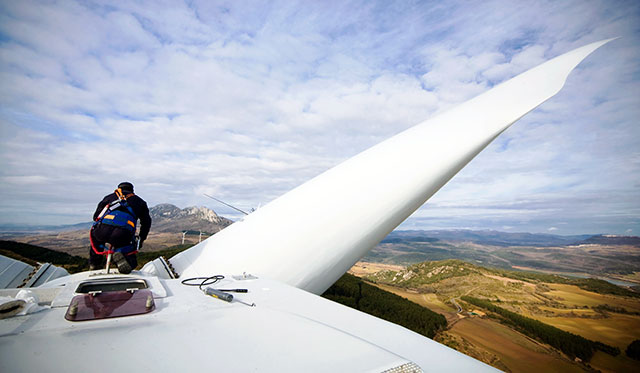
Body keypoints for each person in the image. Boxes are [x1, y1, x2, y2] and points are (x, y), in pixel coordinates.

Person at [89, 182, 152, 273]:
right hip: (123, 234)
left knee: (97, 240)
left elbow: (96, 217)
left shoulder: (109, 197)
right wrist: (141, 239)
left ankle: (94, 264)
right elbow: (146, 223)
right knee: (128, 251)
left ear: (118, 188)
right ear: (132, 190)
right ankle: (124, 257)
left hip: (102, 231)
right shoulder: (140, 202)